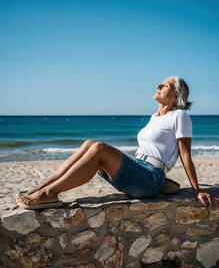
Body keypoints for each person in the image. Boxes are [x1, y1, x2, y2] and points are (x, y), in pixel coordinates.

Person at [17, 76, 218, 210]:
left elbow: (185, 154)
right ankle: (40, 189)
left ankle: (50, 194)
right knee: (89, 143)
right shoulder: (154, 117)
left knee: (99, 149)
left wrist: (197, 190)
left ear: (175, 96)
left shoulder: (180, 116)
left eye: (165, 86)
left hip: (150, 177)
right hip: (139, 167)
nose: (158, 86)